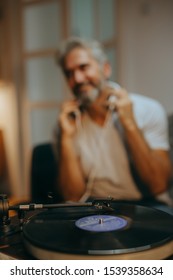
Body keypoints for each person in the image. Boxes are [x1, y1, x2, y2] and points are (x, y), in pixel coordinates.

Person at [55, 36, 172, 209]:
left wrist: (129, 123)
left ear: (106, 68)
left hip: (147, 206)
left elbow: (158, 185)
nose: (78, 79)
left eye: (84, 67)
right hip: (95, 207)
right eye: (69, 73)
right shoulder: (67, 123)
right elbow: (72, 197)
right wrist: (66, 139)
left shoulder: (149, 109)